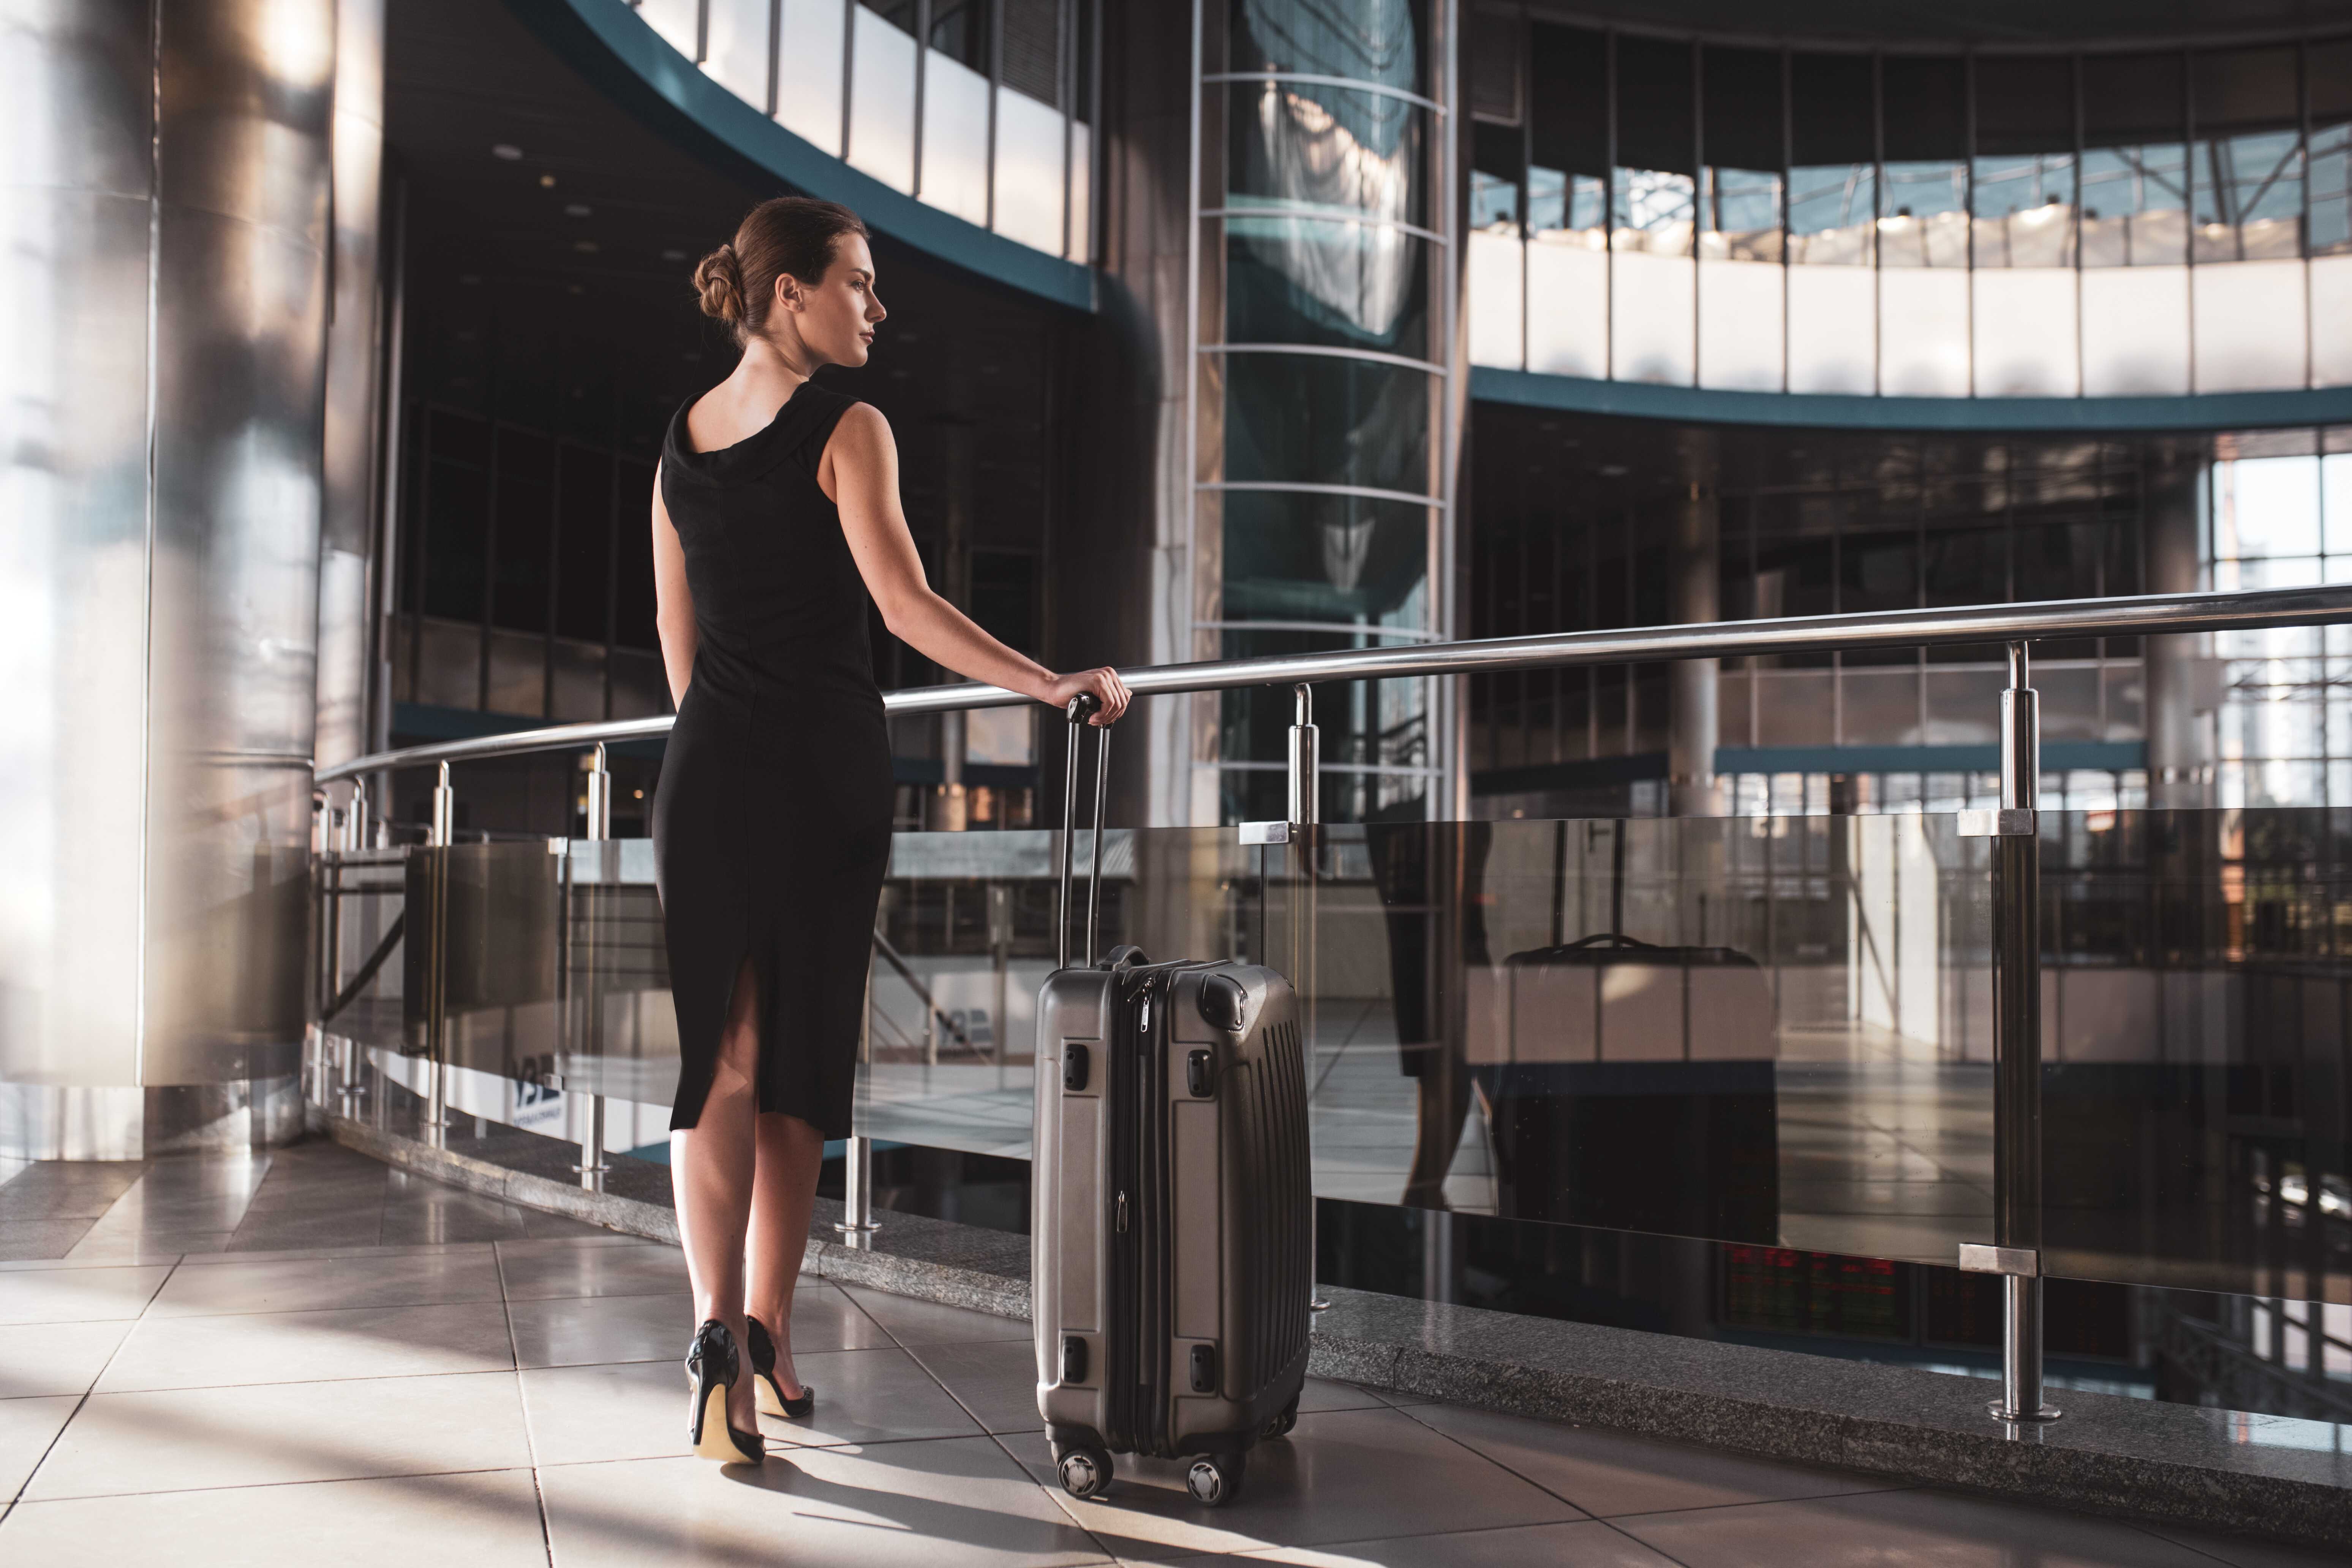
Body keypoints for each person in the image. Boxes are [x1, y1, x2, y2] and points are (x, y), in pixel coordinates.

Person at [651, 196, 1130, 1464]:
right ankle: (765, 1330)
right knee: (803, 1063)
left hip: (706, 779)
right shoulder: (848, 426)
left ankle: (721, 1341)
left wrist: (720, 752)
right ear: (790, 294)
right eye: (859, 283)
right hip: (822, 775)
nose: (877, 307)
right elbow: (905, 606)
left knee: (724, 1058)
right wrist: (1046, 683)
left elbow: (679, 655)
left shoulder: (679, 446)